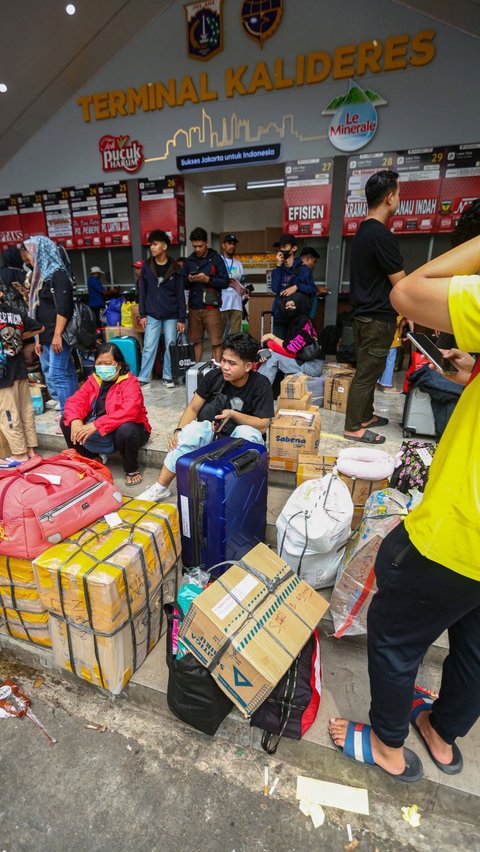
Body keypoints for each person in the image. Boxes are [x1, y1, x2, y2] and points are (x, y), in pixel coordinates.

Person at [329, 234, 480, 784]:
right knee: (474, 640)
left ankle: (389, 746)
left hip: (461, 528)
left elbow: (411, 292)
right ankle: (443, 732)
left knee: (394, 634)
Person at [138, 332, 274, 502]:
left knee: (247, 433)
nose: (225, 366)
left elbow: (263, 425)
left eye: (232, 363)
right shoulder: (214, 377)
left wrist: (233, 414)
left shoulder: (261, 385)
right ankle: (160, 488)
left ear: (247, 366)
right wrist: (179, 431)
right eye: (223, 360)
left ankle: (235, 492)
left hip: (238, 442)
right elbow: (193, 408)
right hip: (213, 435)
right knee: (193, 430)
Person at [343, 170, 405, 444]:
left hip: (363, 316)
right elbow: (401, 285)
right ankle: (354, 426)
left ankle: (365, 415)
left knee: (368, 369)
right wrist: (409, 313)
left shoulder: (362, 233)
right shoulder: (381, 236)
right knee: (367, 374)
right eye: (399, 194)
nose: (399, 199)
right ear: (390, 197)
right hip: (377, 318)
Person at [61, 342, 151, 486]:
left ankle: (131, 468)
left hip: (129, 430)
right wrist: (76, 420)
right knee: (67, 420)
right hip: (103, 428)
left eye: (108, 363)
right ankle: (91, 459)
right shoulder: (93, 380)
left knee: (126, 429)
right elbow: (75, 402)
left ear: (119, 365)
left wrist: (97, 425)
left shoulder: (130, 382)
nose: (103, 367)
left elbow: (130, 411)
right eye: (99, 363)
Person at [23, 235, 78, 415]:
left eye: (31, 253)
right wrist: (37, 339)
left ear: (42, 253)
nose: (29, 258)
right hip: (46, 336)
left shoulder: (58, 275)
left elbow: (64, 308)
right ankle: (75, 412)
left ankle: (67, 416)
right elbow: (38, 310)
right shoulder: (41, 278)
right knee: (67, 372)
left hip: (58, 336)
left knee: (57, 375)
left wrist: (56, 335)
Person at [0, 283, 43, 466]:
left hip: (3, 374)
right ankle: (31, 450)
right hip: (19, 369)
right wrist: (16, 338)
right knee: (25, 410)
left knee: (8, 414)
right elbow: (39, 328)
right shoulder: (14, 312)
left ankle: (19, 454)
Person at [136, 230, 186, 390]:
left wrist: (181, 318)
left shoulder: (176, 268)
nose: (152, 247)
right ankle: (143, 378)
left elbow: (180, 295)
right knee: (149, 345)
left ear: (164, 246)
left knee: (171, 345)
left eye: (155, 244)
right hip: (152, 314)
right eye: (151, 244)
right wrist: (142, 314)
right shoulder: (146, 266)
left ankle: (167, 376)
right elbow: (142, 292)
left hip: (171, 315)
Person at [183, 227, 229, 363]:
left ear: (206, 243)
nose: (197, 249)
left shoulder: (216, 258)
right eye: (194, 246)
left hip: (211, 307)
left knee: (216, 341)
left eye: (200, 246)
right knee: (195, 341)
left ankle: (216, 372)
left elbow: (225, 282)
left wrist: (207, 279)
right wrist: (189, 280)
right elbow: (183, 284)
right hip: (194, 307)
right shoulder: (189, 260)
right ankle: (195, 371)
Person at [258, 292, 324, 384]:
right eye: (287, 306)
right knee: (270, 356)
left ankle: (259, 391)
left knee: (272, 358)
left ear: (300, 305)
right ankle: (259, 389)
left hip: (312, 365)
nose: (289, 308)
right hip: (302, 360)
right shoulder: (294, 322)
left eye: (292, 305)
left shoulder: (304, 322)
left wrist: (271, 337)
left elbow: (291, 348)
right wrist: (269, 351)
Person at [270, 235, 317, 338]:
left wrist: (297, 287)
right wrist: (278, 266)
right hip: (280, 316)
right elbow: (275, 289)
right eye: (280, 247)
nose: (281, 250)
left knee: (295, 350)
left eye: (285, 246)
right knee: (278, 350)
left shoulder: (304, 270)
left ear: (294, 248)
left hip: (297, 318)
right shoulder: (277, 270)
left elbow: (313, 290)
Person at [219, 233, 246, 337]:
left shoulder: (238, 263)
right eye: (229, 243)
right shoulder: (218, 261)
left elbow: (242, 282)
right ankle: (218, 353)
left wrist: (245, 293)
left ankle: (233, 353)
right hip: (222, 303)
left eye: (234, 244)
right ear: (223, 245)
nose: (232, 246)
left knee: (236, 334)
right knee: (219, 334)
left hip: (237, 303)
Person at [376, 315, 404, 394]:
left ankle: (377, 381)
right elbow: (400, 321)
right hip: (392, 334)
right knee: (390, 360)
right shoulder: (400, 307)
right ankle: (386, 384)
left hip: (379, 331)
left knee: (379, 357)